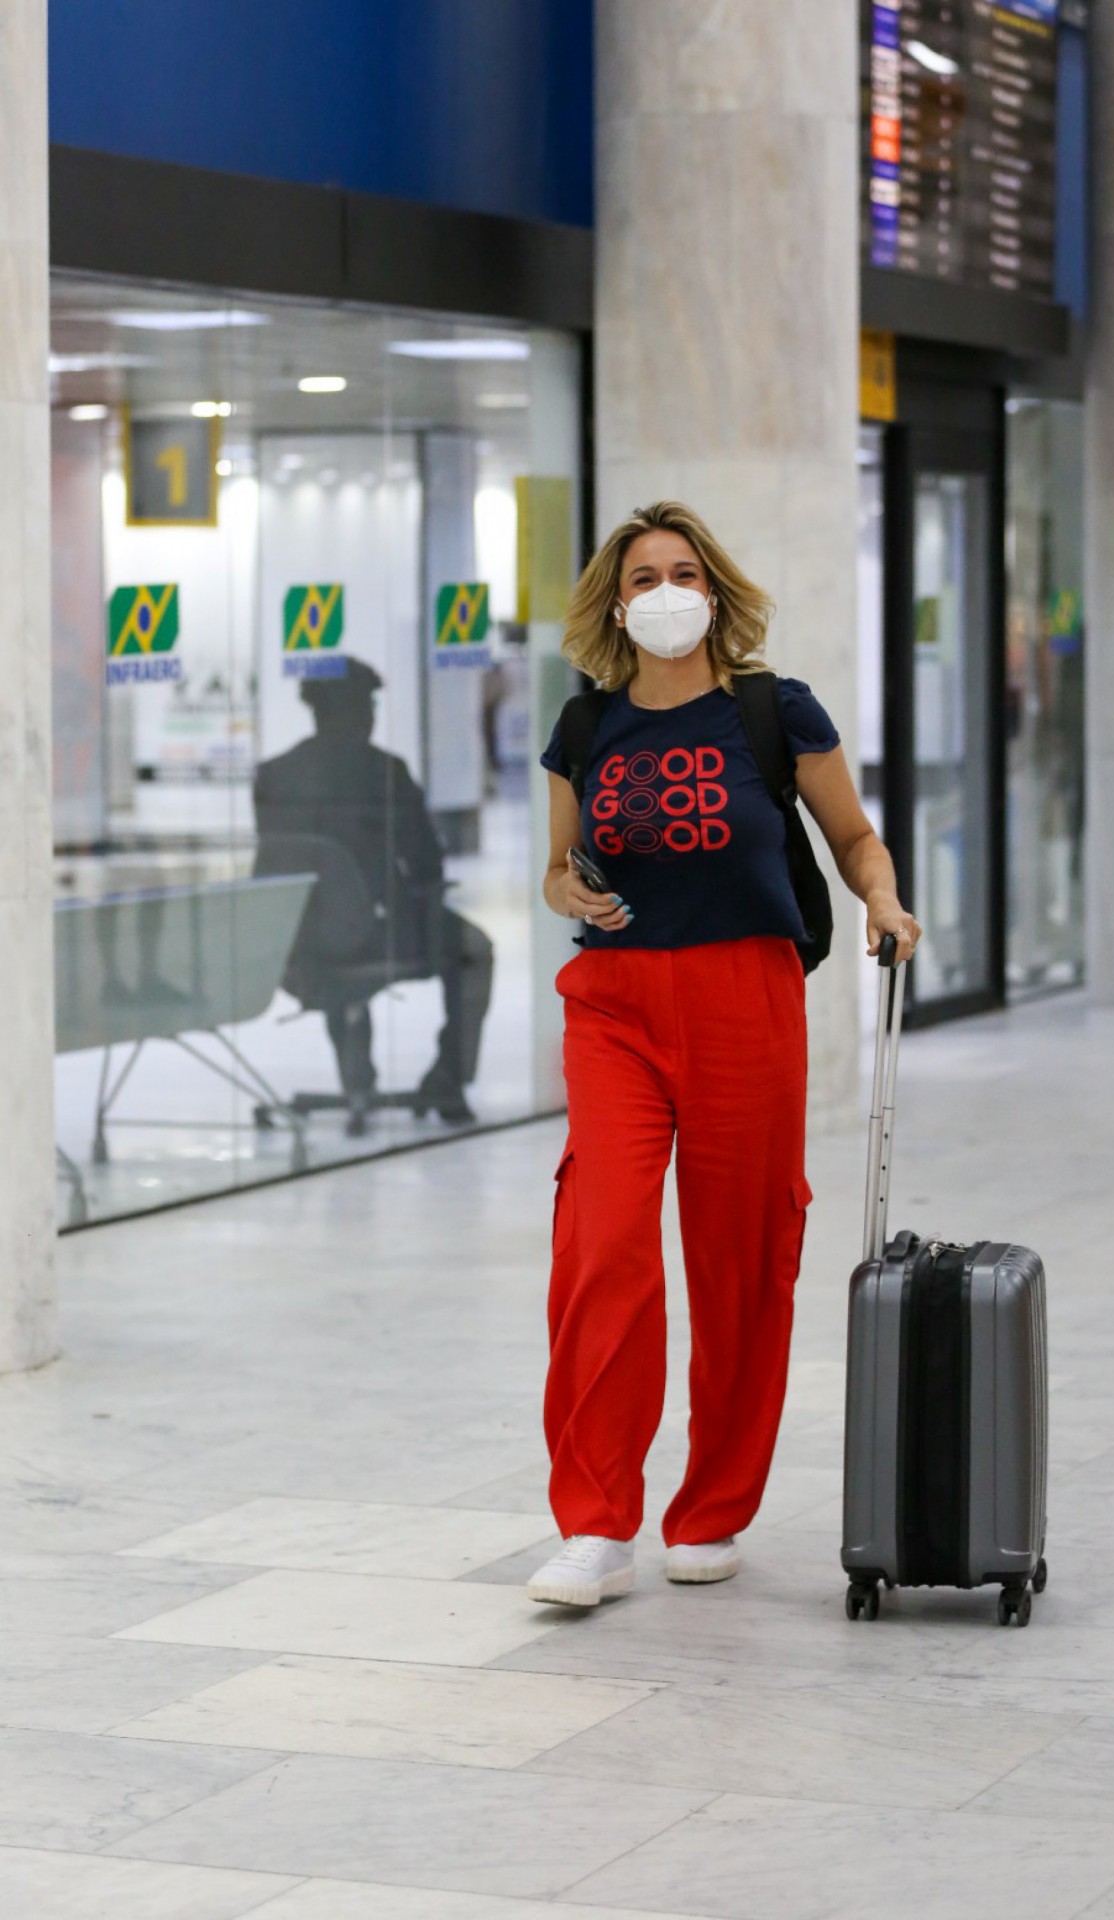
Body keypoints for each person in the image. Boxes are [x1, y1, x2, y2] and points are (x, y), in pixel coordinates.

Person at [526, 501, 922, 1607]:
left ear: (713, 592)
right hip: (612, 1004)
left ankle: (709, 1511)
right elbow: (556, 868)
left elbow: (850, 836)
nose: (665, 593)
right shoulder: (583, 726)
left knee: (742, 1256)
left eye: (684, 573)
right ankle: (594, 1524)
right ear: (617, 601)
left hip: (743, 999)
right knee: (603, 1241)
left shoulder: (771, 711)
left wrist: (882, 900)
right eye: (644, 576)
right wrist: (574, 892)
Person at [253, 657, 493, 1122]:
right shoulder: (385, 772)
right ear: (353, 710)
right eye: (366, 704)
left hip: (298, 941)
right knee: (476, 952)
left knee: (335, 942)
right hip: (388, 934)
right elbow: (426, 862)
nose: (371, 715)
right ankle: (447, 1080)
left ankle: (356, 1079)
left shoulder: (274, 774)